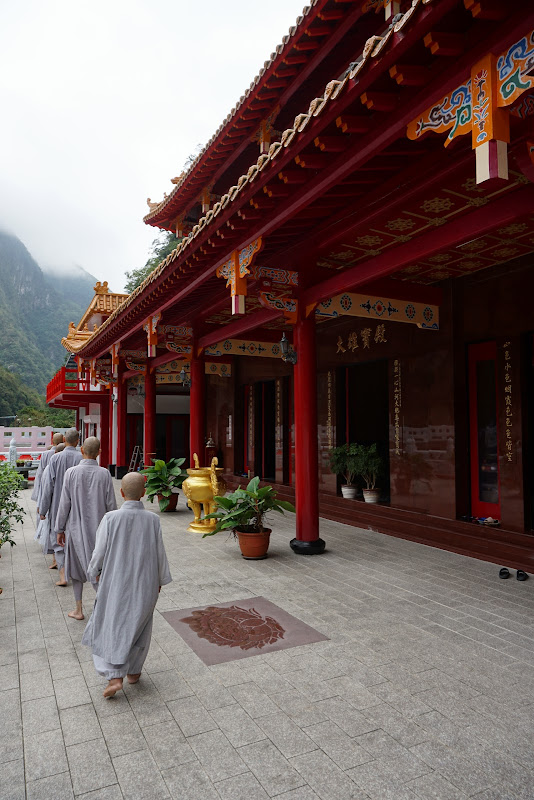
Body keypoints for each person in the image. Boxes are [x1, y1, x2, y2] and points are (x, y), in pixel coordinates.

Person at [82, 472, 172, 698]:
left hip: (115, 582)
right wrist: (160, 580)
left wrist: (93, 572)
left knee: (113, 624)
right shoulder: (153, 520)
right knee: (140, 626)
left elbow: (99, 552)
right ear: (144, 493)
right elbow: (159, 552)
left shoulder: (111, 518)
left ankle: (115, 675)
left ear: (121, 493)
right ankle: (134, 672)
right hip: (146, 582)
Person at [55, 437, 117, 620]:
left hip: (75, 530)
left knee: (75, 570)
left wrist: (59, 529)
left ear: (81, 449)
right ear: (99, 452)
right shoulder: (104, 473)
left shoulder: (71, 473)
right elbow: (111, 505)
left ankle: (79, 609)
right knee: (100, 569)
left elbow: (64, 504)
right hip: (100, 531)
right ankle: (103, 609)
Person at [39, 428, 82, 586]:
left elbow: (47, 486)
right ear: (78, 441)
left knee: (59, 541)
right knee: (75, 537)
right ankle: (78, 570)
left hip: (57, 504)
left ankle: (63, 574)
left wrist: (43, 510)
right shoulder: (81, 458)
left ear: (64, 439)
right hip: (77, 506)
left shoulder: (55, 459)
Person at [34, 442, 66, 553]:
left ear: (55, 452)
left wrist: (42, 509)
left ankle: (57, 561)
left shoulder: (50, 466)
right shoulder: (78, 462)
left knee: (55, 532)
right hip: (73, 507)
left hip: (55, 504)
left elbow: (46, 490)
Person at [32, 432, 64, 509]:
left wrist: (38, 495)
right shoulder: (64, 454)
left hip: (46, 482)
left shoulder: (46, 454)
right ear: (63, 441)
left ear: (52, 440)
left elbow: (40, 473)